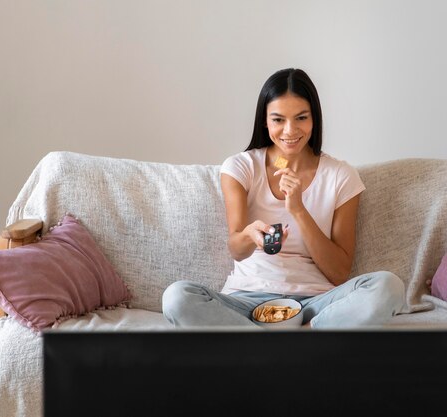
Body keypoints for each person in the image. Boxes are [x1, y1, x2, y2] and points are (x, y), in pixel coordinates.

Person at [162, 68, 405, 328]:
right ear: (265, 121)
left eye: (301, 117)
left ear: (314, 119)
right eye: (278, 120)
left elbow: (339, 273)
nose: (290, 131)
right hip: (247, 300)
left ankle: (280, 340)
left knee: (389, 287)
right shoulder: (241, 167)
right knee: (177, 297)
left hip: (316, 303)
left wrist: (299, 209)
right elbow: (236, 248)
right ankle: (288, 343)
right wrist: (250, 234)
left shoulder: (341, 175)